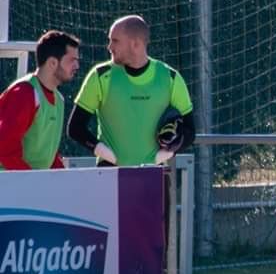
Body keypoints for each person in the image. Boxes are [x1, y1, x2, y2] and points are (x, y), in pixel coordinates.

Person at [67, 15, 194, 166]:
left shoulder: (170, 77)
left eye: (115, 41)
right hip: (109, 174)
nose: (109, 47)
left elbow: (190, 131)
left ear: (135, 44)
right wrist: (106, 154)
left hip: (155, 174)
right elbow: (75, 128)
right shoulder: (100, 76)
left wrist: (161, 156)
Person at [0, 30, 80, 170]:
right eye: (72, 61)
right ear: (52, 63)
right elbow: (4, 149)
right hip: (9, 187)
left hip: (31, 185)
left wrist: (64, 179)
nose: (77, 66)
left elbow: (48, 155)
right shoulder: (24, 93)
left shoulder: (59, 99)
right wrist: (32, 183)